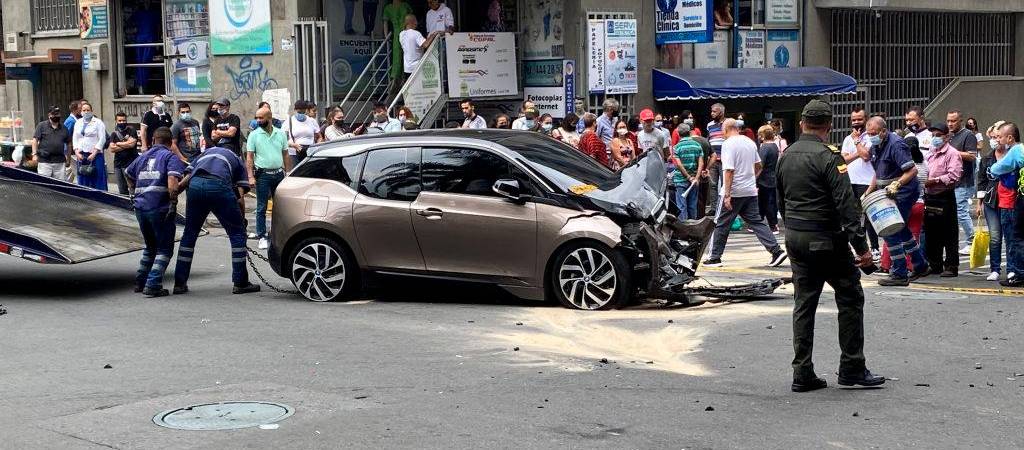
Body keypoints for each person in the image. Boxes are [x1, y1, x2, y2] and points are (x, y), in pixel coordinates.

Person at [776, 99, 884, 392]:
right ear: (829, 126)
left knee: (804, 302)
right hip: (825, 236)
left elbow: (780, 199)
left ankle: (802, 371)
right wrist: (861, 248)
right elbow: (847, 206)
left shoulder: (786, 155)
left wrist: (793, 228)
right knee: (849, 295)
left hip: (796, 235)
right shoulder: (830, 157)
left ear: (802, 124)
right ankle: (851, 366)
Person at [172, 145, 260, 295]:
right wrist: (241, 221)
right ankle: (240, 283)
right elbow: (239, 197)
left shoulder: (204, 154)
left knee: (189, 235)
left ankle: (179, 284)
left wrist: (171, 199)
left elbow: (186, 179)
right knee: (237, 235)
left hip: (196, 186)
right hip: (218, 186)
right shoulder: (237, 161)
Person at [702, 119, 788, 268]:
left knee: (721, 223)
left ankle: (714, 257)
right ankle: (776, 250)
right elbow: (758, 165)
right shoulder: (749, 142)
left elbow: (729, 170)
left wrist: (727, 194)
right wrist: (750, 179)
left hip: (734, 190)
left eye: (722, 130)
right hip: (749, 190)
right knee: (756, 222)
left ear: (727, 129)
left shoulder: (728, 144)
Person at [865, 116, 930, 286]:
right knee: (901, 230)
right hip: (887, 192)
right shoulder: (876, 145)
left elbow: (912, 171)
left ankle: (900, 272)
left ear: (883, 131)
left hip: (903, 192)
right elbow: (878, 174)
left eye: (873, 133)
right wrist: (867, 192)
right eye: (869, 133)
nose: (871, 136)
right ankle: (920, 264)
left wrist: (897, 184)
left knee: (890, 229)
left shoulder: (896, 144)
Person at [124, 127, 185, 297]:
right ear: (170, 142)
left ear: (153, 140)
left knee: (150, 247)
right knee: (165, 249)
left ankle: (140, 281)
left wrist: (132, 192)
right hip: (159, 208)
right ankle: (153, 284)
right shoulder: (170, 157)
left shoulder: (142, 156)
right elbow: (172, 182)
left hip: (141, 207)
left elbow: (128, 173)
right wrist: (173, 203)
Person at [246, 107, 292, 250]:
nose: (258, 121)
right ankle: (262, 235)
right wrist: (250, 177)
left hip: (278, 174)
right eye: (257, 118)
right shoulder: (254, 135)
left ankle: (277, 234)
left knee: (280, 207)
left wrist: (288, 172)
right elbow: (249, 157)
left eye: (261, 118)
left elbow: (285, 154)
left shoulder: (280, 134)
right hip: (263, 175)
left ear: (269, 118)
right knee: (261, 207)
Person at [977, 121, 1017, 282]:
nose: (995, 140)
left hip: (1009, 200)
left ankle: (1012, 269)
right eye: (993, 137)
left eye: (997, 137)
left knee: (1010, 236)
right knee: (995, 236)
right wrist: (980, 203)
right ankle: (995, 268)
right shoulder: (987, 158)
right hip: (991, 202)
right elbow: (981, 180)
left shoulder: (1013, 155)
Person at [922, 122, 964, 277]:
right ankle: (935, 264)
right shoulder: (931, 152)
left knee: (949, 233)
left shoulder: (952, 154)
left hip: (944, 196)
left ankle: (951, 266)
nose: (935, 138)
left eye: (938, 135)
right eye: (933, 135)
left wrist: (934, 180)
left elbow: (954, 176)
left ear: (947, 136)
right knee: (932, 233)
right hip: (930, 196)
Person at [987, 122, 1024, 287]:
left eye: (1000, 136)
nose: (999, 140)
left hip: (1017, 199)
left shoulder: (1015, 150)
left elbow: (997, 168)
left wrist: (992, 170)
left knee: (1016, 238)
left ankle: (1018, 273)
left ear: (1010, 137)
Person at [841, 107, 880, 259]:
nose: (856, 122)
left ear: (866, 119)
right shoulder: (847, 139)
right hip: (851, 181)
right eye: (853, 120)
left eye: (859, 119)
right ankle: (860, 249)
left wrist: (857, 143)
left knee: (870, 216)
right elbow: (843, 160)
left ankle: (875, 247)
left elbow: (866, 156)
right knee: (853, 217)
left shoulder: (871, 137)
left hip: (867, 182)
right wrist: (858, 150)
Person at [945, 110, 979, 256]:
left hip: (963, 180)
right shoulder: (949, 136)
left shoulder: (968, 135)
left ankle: (972, 241)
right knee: (953, 212)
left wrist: (952, 152)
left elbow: (972, 156)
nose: (950, 124)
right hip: (950, 180)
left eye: (953, 121)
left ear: (960, 121)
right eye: (948, 121)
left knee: (961, 212)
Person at [72, 101, 108, 191]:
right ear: (81, 112)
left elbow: (102, 139)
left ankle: (100, 199)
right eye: (84, 110)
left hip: (95, 155)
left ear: (92, 111)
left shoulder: (98, 122)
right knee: (83, 179)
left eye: (88, 110)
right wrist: (76, 152)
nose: (86, 112)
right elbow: (75, 138)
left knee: (97, 179)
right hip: (81, 156)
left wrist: (94, 153)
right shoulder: (78, 123)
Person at [671, 124, 703, 220]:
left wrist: (688, 177)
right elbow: (701, 163)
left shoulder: (677, 147)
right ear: (689, 132)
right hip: (694, 181)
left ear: (678, 133)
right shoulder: (697, 145)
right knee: (692, 205)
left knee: (681, 206)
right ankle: (693, 226)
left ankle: (684, 228)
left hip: (680, 179)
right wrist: (696, 178)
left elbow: (679, 165)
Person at [31, 107, 73, 181]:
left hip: (60, 162)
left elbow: (69, 143)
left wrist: (68, 158)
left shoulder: (64, 128)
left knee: (60, 185)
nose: (56, 116)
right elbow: (35, 140)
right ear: (49, 115)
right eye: (54, 114)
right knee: (44, 184)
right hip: (45, 161)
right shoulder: (41, 126)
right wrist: (34, 154)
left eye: (58, 114)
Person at [399, 14, 440, 83]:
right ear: (412, 22)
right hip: (417, 67)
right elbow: (425, 45)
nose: (417, 24)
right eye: (416, 21)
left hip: (407, 68)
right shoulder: (415, 34)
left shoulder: (401, 34)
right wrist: (434, 35)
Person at [108, 112, 141, 195]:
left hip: (130, 163)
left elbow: (132, 144)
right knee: (122, 189)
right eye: (120, 121)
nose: (122, 122)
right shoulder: (114, 134)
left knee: (133, 187)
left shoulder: (132, 130)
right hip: (118, 164)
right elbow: (112, 148)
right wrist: (127, 143)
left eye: (124, 120)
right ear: (116, 121)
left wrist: (118, 144)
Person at [756, 125, 780, 233]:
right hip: (773, 177)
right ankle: (771, 223)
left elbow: (760, 165)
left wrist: (754, 177)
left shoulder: (764, 147)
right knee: (770, 201)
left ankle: (771, 224)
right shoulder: (775, 146)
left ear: (762, 136)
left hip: (764, 179)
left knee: (765, 202)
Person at [382, 0, 414, 81]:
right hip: (396, 34)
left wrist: (413, 31)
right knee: (397, 56)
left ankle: (408, 77)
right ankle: (396, 79)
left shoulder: (405, 5)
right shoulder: (388, 8)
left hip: (407, 32)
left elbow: (412, 19)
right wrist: (386, 36)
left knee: (409, 54)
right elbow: (385, 22)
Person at [283, 100, 320, 166]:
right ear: (295, 110)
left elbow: (319, 136)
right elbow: (282, 139)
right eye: (299, 112)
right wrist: (293, 145)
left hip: (310, 152)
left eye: (303, 112)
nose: (301, 114)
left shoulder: (312, 121)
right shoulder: (289, 121)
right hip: (294, 153)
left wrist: (316, 146)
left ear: (306, 110)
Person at [705, 103, 727, 215]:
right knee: (712, 185)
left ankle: (724, 207)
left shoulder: (728, 124)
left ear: (721, 112)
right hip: (713, 159)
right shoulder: (709, 125)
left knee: (725, 185)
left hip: (725, 159)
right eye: (711, 111)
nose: (712, 113)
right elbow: (709, 139)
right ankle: (713, 208)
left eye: (715, 111)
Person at [63, 100, 83, 182]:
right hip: (70, 152)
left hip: (72, 151)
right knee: (69, 172)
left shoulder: (74, 120)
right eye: (80, 108)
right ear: (75, 110)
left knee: (72, 173)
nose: (81, 110)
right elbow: (66, 137)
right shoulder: (71, 121)